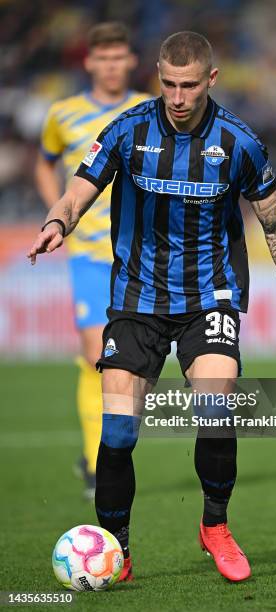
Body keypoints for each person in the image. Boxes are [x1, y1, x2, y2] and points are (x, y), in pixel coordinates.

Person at [28, 31, 276, 582]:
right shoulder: (127, 129)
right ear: (158, 77)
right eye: (168, 85)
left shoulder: (240, 142)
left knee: (215, 405)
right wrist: (57, 221)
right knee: (117, 433)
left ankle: (214, 526)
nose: (178, 98)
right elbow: (77, 189)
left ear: (212, 80)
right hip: (137, 297)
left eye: (189, 86)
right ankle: (117, 547)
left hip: (209, 293)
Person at [35, 22, 150, 499]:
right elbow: (45, 160)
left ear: (130, 61)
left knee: (135, 365)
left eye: (118, 57)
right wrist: (58, 212)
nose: (110, 65)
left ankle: (110, 449)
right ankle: (95, 460)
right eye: (102, 58)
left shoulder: (150, 110)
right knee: (94, 355)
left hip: (139, 254)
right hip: (87, 253)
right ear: (89, 62)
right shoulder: (63, 113)